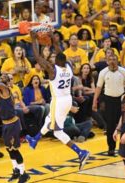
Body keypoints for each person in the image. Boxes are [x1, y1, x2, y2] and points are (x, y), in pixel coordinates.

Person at [26, 31, 90, 170]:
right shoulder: (69, 67)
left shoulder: (52, 70)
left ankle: (81, 152)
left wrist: (33, 39)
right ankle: (34, 140)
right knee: (49, 119)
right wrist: (53, 38)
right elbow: (59, 49)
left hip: (58, 101)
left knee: (57, 132)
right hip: (67, 98)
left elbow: (37, 57)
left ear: (57, 61)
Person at [93, 54, 125, 156]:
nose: (112, 61)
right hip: (109, 100)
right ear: (107, 61)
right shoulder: (103, 72)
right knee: (110, 125)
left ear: (117, 60)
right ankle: (111, 148)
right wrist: (94, 101)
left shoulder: (124, 72)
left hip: (121, 99)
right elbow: (99, 88)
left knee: (124, 123)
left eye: (114, 59)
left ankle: (124, 147)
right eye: (110, 59)